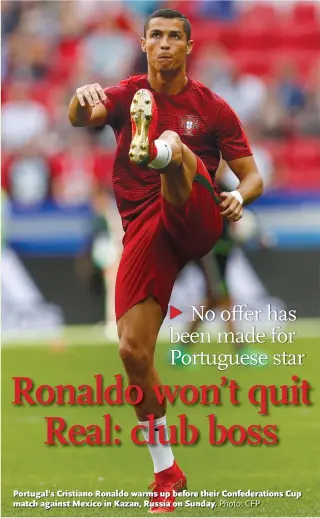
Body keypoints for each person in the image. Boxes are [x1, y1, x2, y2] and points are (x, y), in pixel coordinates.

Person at [68, 8, 263, 512]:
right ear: (145, 42)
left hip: (196, 219)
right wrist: (78, 97)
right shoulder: (126, 91)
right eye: (156, 36)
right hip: (144, 231)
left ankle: (158, 150)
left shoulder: (212, 108)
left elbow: (252, 175)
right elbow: (78, 119)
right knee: (132, 353)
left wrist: (241, 196)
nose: (166, 44)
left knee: (176, 150)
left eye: (176, 36)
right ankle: (166, 471)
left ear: (189, 47)